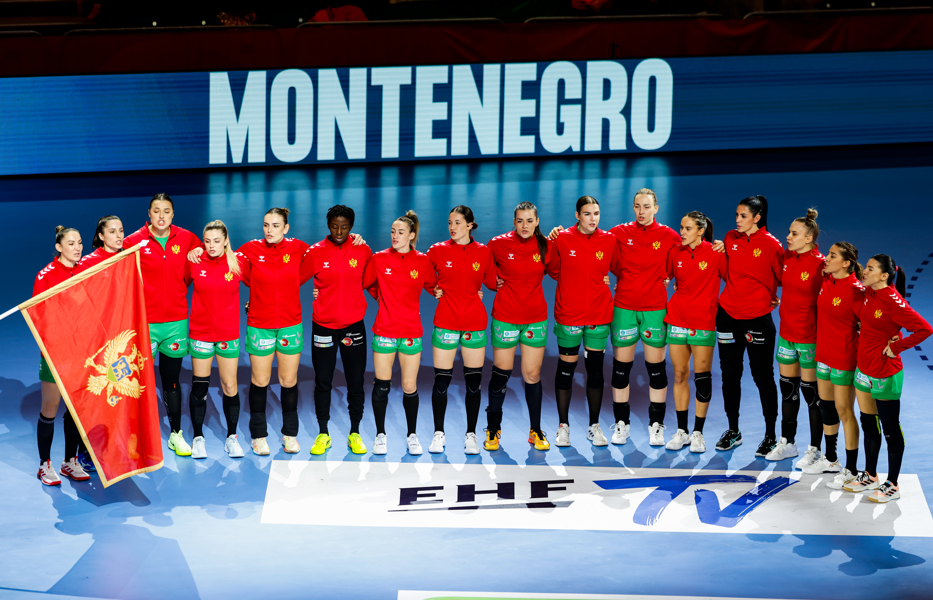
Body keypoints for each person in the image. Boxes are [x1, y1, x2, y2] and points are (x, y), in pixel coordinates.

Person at [843, 255, 932, 502]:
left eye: (870, 269)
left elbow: (925, 329)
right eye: (866, 267)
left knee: (890, 428)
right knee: (869, 424)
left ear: (884, 275)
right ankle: (870, 475)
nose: (865, 271)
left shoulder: (894, 302)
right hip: (863, 369)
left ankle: (892, 483)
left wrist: (897, 346)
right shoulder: (868, 292)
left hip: (885, 372)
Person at [124, 194, 201, 457]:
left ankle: (176, 434)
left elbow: (204, 260)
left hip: (176, 323)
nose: (161, 216)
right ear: (149, 214)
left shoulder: (187, 238)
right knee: (138, 382)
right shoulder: (133, 241)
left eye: (166, 211)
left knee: (171, 380)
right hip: (145, 323)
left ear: (173, 214)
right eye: (156, 211)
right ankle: (134, 435)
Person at [604, 189, 682, 447]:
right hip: (624, 308)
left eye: (646, 207)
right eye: (637, 206)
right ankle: (621, 424)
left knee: (656, 370)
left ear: (656, 208)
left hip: (655, 310)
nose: (641, 211)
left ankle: (656, 426)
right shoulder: (618, 233)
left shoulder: (669, 235)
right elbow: (593, 245)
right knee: (621, 369)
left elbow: (690, 253)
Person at [546, 196, 620, 447]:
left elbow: (620, 268)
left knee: (595, 372)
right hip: (569, 315)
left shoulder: (609, 240)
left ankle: (594, 426)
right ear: (577, 215)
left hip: (599, 315)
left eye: (596, 213)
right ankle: (563, 427)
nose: (593, 219)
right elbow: (553, 270)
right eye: (587, 214)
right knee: (566, 371)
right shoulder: (562, 239)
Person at [235, 208, 310, 455]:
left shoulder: (299, 247)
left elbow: (325, 255)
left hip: (290, 324)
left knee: (288, 381)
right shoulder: (250, 249)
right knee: (260, 381)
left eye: (276, 225)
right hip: (260, 325)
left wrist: (354, 239)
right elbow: (226, 260)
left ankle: (290, 434)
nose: (270, 230)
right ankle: (258, 436)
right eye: (266, 225)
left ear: (286, 228)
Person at [362, 211, 437, 455]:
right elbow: (365, 283)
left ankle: (412, 435)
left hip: (411, 332)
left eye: (401, 232)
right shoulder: (379, 258)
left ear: (411, 235)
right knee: (382, 385)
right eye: (393, 231)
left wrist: (470, 291)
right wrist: (382, 298)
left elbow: (434, 287)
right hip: (385, 329)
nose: (395, 236)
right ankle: (380, 435)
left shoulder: (422, 261)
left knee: (409, 385)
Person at [716, 195, 784, 455]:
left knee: (763, 377)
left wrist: (771, 295)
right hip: (727, 316)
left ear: (757, 217)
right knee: (730, 375)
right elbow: (727, 273)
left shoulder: (771, 244)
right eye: (736, 215)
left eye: (743, 216)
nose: (737, 220)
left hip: (757, 318)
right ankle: (733, 430)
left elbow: (782, 277)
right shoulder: (730, 238)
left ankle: (770, 436)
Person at [305, 205, 373, 456]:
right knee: (323, 381)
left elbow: (373, 283)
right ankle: (323, 433)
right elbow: (291, 280)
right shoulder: (315, 252)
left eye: (344, 227)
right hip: (323, 326)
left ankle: (354, 432)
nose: (339, 232)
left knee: (356, 381)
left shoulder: (363, 250)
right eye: (334, 226)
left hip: (353, 326)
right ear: (328, 225)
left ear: (351, 227)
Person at [485, 202, 552, 451]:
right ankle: (493, 430)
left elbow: (559, 271)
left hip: (535, 318)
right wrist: (492, 283)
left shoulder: (546, 245)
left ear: (537, 222)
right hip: (506, 316)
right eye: (520, 221)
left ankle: (535, 430)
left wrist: (601, 277)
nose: (525, 226)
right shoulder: (498, 244)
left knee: (532, 375)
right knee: (501, 374)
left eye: (529, 221)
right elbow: (483, 269)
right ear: (514, 222)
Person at [426, 205, 493, 455]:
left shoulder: (483, 252)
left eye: (457, 222)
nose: (452, 227)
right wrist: (433, 289)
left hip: (474, 324)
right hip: (445, 322)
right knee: (441, 382)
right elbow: (419, 272)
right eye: (449, 223)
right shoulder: (437, 250)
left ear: (470, 225)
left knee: (473, 383)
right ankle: (438, 434)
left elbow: (494, 281)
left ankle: (471, 435)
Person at [184, 220, 249, 459]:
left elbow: (263, 282)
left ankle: (231, 437)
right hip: (200, 333)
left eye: (217, 241)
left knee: (229, 386)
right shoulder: (194, 261)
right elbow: (177, 286)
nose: (211, 246)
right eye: (207, 241)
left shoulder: (238, 262)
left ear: (226, 241)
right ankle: (198, 438)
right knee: (199, 386)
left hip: (228, 334)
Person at [663, 212, 726, 452]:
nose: (682, 232)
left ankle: (698, 433)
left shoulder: (716, 253)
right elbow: (662, 277)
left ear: (701, 231)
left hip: (703, 323)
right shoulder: (675, 252)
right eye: (681, 227)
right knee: (679, 375)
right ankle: (682, 431)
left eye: (688, 228)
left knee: (702, 379)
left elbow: (736, 279)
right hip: (677, 320)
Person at [767, 209, 825, 462]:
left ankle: (815, 449)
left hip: (809, 338)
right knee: (788, 390)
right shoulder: (788, 257)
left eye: (794, 233)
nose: (788, 237)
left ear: (809, 238)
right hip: (786, 335)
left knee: (812, 394)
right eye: (789, 232)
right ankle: (788, 443)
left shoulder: (822, 265)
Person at [35, 226, 90, 485]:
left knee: (76, 409)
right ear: (59, 247)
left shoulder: (86, 270)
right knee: (50, 408)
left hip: (82, 352)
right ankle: (44, 465)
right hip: (55, 352)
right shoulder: (45, 276)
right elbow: (38, 317)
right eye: (71, 243)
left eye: (79, 242)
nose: (77, 248)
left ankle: (70, 461)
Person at [72, 214, 125, 473]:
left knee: (116, 395)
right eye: (112, 231)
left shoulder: (128, 258)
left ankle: (111, 445)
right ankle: (86, 451)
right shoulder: (88, 263)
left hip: (120, 342)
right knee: (94, 398)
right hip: (96, 344)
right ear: (101, 236)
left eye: (121, 230)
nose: (118, 236)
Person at [812, 242, 865, 488]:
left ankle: (851, 469)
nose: (826, 257)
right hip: (823, 355)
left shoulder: (857, 290)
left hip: (844, 358)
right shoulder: (827, 280)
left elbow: (870, 322)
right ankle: (831, 459)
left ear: (846, 263)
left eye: (832, 255)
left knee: (844, 411)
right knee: (827, 408)